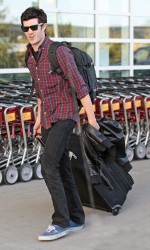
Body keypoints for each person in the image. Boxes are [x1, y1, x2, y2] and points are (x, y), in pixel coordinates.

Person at [20, 6, 99, 241]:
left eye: (34, 27)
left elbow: (79, 86)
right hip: (47, 117)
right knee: (62, 167)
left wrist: (92, 119)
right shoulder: (29, 55)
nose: (30, 32)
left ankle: (60, 221)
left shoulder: (59, 52)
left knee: (48, 165)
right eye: (26, 29)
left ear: (44, 26)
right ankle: (76, 218)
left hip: (65, 115)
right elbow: (40, 91)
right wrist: (37, 119)